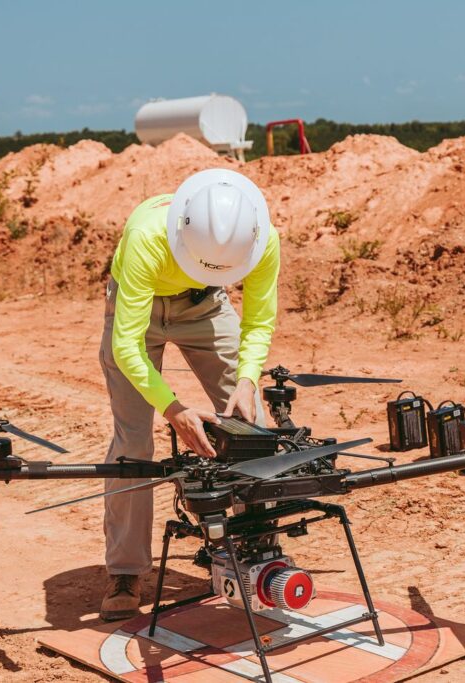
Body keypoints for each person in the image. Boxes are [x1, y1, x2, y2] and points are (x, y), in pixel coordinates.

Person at [98, 168, 280, 621]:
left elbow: (259, 322)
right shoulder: (146, 236)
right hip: (136, 309)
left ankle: (254, 548)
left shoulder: (262, 239)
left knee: (253, 426)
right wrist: (174, 409)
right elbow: (126, 347)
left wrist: (246, 380)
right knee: (133, 441)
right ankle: (125, 569)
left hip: (205, 305)